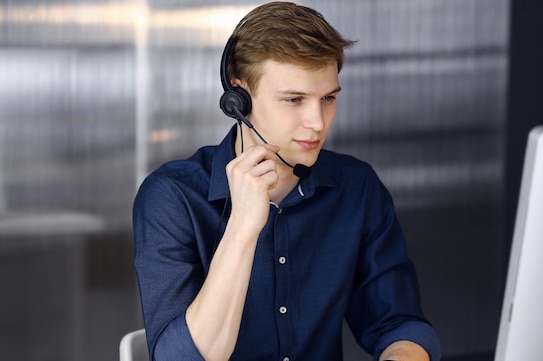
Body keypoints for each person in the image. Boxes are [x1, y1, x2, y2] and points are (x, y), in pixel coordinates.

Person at [133, 2, 441, 360]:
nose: (317, 122)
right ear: (239, 98)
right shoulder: (172, 197)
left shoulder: (357, 187)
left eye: (328, 98)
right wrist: (243, 228)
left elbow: (398, 323)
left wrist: (403, 354)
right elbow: (179, 358)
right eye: (294, 100)